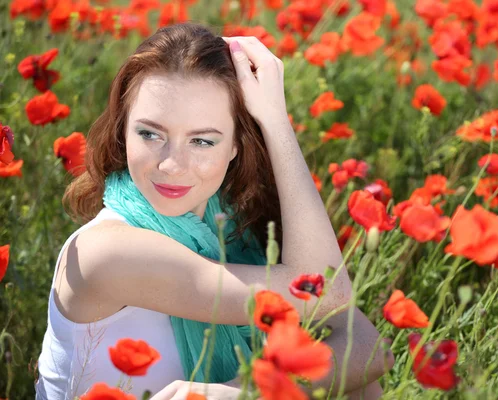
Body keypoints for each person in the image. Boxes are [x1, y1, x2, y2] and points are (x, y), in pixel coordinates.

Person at [35, 23, 392, 400]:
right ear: (124, 129)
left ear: (236, 145)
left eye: (202, 141)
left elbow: (367, 345)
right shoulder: (106, 252)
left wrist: (239, 392)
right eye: (150, 134)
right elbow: (328, 291)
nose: (172, 165)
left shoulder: (229, 227)